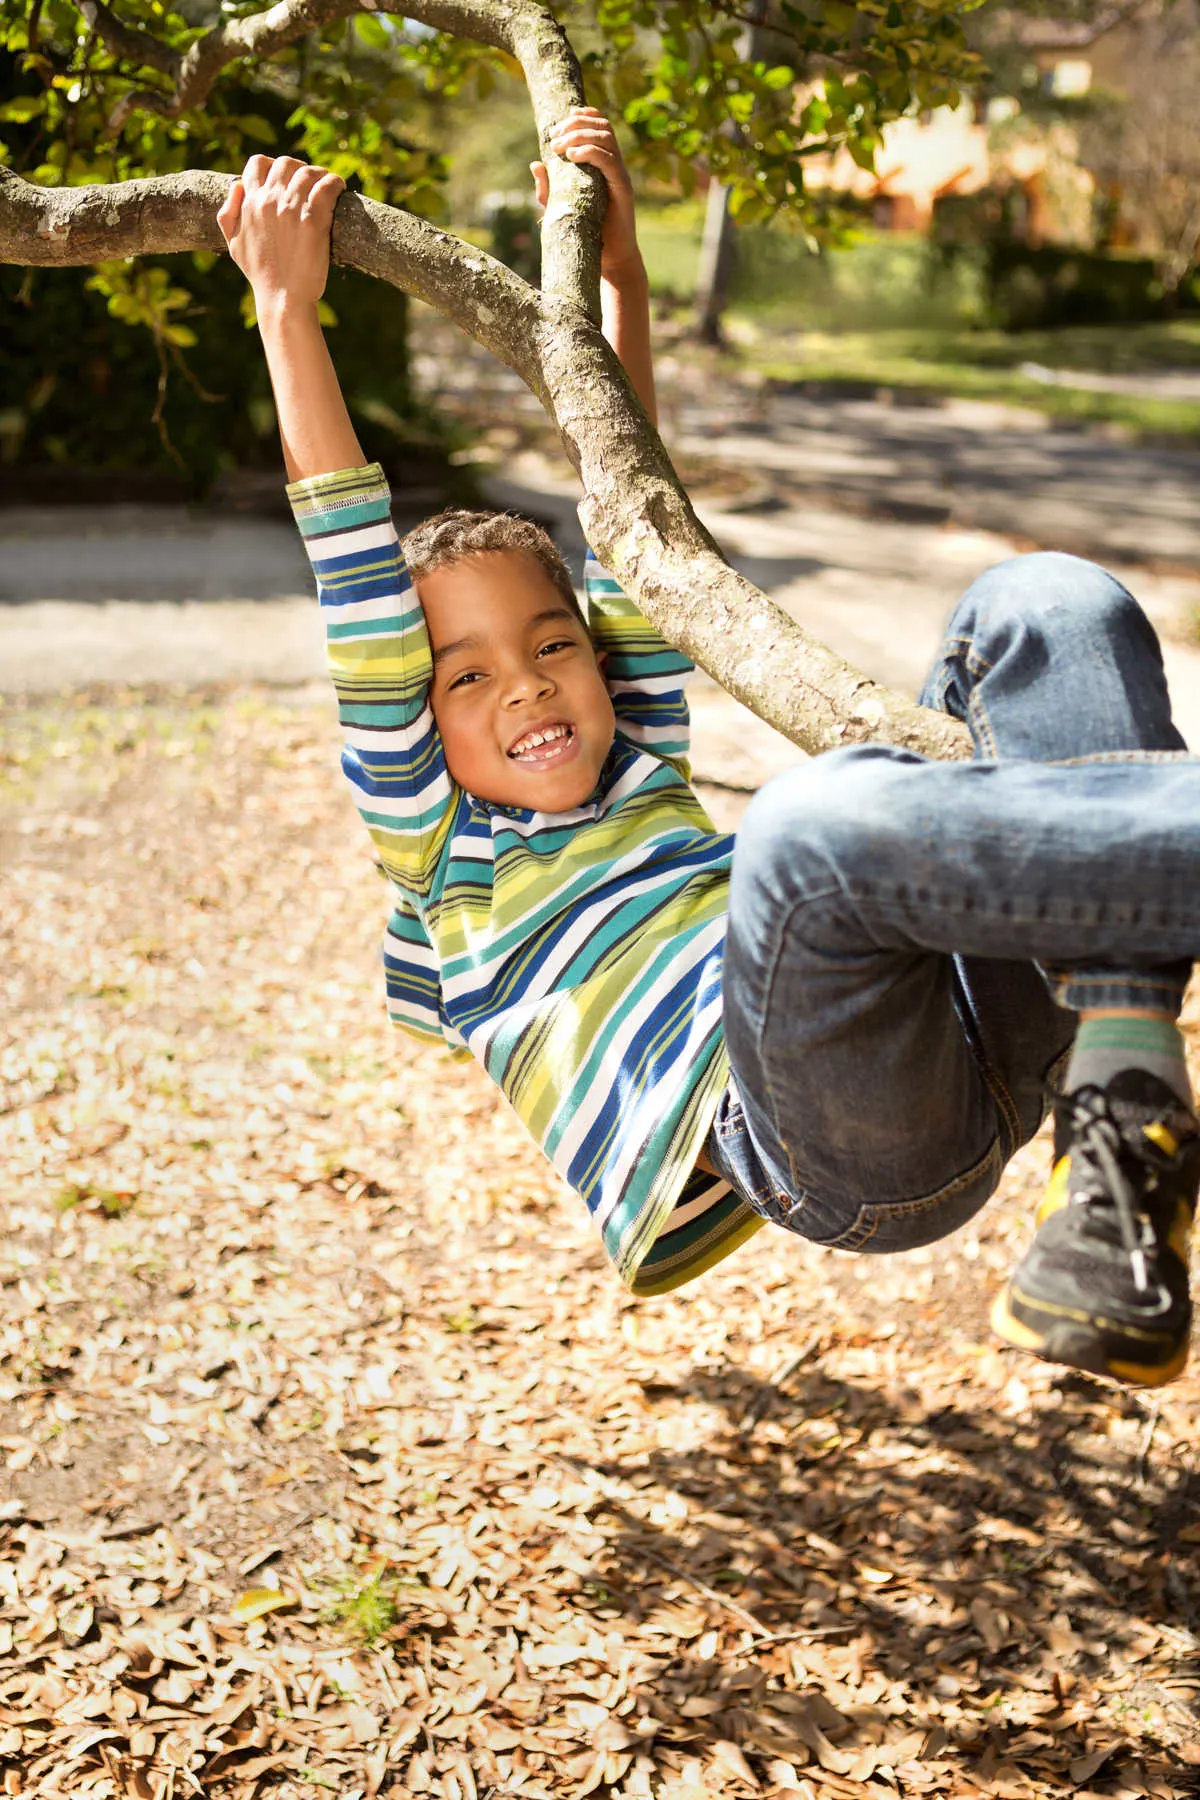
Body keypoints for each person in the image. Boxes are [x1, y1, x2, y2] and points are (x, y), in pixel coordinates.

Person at [218, 113, 1200, 1391]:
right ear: (419, 713)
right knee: (807, 830)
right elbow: (352, 567)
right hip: (830, 1138)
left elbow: (631, 501)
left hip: (1008, 1021)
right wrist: (286, 310)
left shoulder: (642, 761)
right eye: (467, 677)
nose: (526, 687)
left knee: (1055, 603)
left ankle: (1121, 1132)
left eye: (552, 645)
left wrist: (623, 277)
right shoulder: (442, 849)